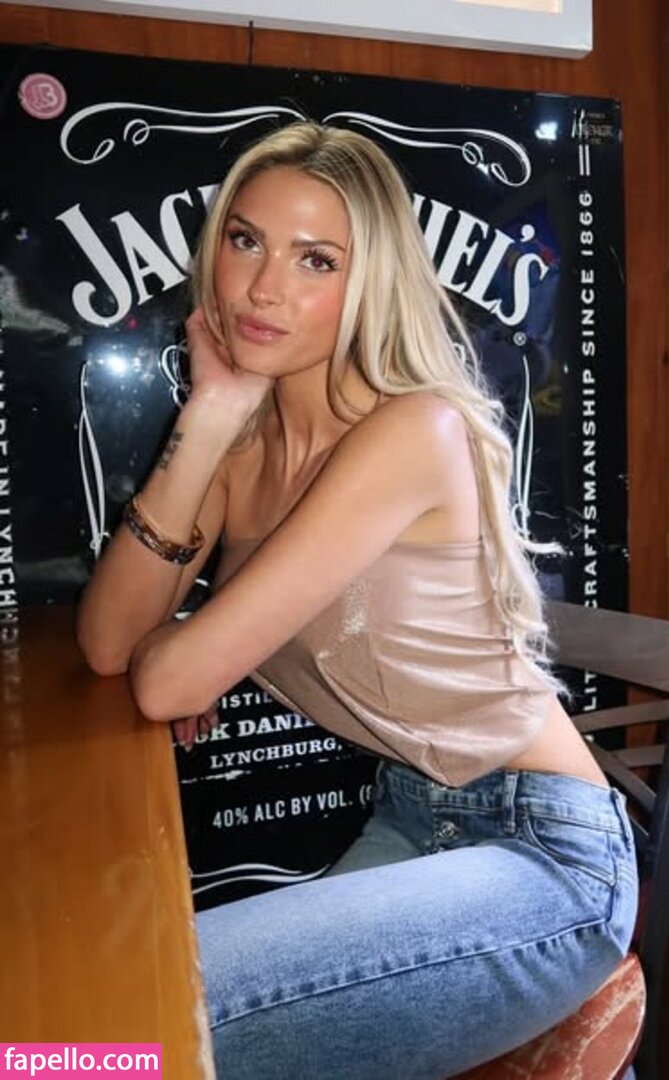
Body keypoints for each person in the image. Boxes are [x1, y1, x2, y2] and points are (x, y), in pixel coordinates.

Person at [76, 121, 638, 1080]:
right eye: (246, 241)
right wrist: (209, 415)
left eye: (316, 260)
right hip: (415, 819)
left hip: (544, 856)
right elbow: (107, 644)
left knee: (118, 1027)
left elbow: (165, 680)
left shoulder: (411, 432)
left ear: (369, 282)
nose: (263, 288)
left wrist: (191, 647)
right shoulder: (241, 447)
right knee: (118, 1008)